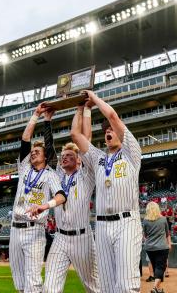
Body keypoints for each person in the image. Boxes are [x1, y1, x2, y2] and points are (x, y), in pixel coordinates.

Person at [71, 90, 142, 292]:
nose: (108, 132)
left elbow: (112, 116)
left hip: (127, 222)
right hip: (101, 226)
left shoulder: (131, 152)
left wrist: (93, 98)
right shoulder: (98, 158)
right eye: (105, 131)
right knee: (108, 287)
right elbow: (75, 135)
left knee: (127, 286)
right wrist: (80, 107)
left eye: (111, 130)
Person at [9, 103, 67, 293]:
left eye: (37, 152)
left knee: (33, 282)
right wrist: (35, 115)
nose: (33, 153)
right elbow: (25, 139)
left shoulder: (50, 174)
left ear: (45, 157)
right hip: (15, 230)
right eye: (32, 152)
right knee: (19, 282)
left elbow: (61, 197)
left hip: (34, 230)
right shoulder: (24, 168)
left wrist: (45, 206)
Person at [42, 104, 99, 293]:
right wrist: (47, 121)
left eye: (69, 155)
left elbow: (86, 142)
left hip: (82, 237)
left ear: (79, 159)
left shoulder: (86, 175)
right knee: (49, 287)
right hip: (60, 237)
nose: (64, 158)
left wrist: (82, 110)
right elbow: (49, 151)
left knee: (93, 287)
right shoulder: (58, 176)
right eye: (63, 156)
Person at [143, 202, 171, 293]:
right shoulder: (163, 219)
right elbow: (167, 233)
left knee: (156, 268)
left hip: (150, 248)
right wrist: (169, 244)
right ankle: (155, 287)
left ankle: (158, 289)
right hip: (162, 247)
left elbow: (145, 235)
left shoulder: (145, 220)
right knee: (161, 267)